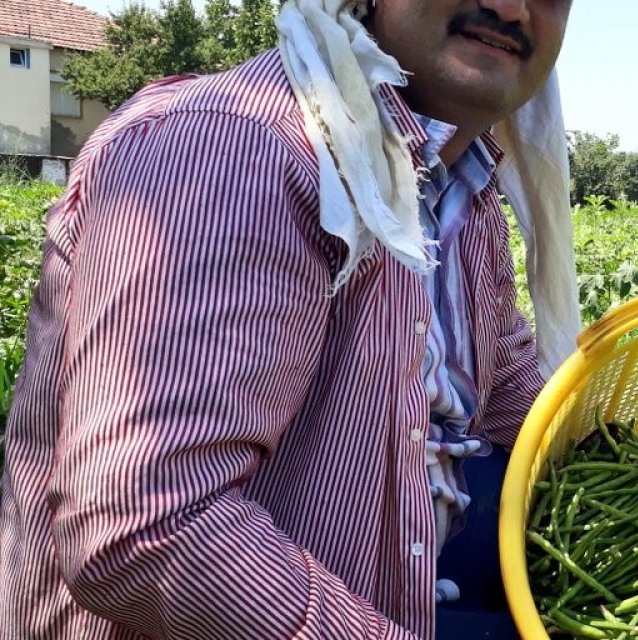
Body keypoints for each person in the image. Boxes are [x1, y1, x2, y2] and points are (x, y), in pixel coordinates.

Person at [0, 0, 581, 637]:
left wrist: (624, 447)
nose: (511, 7)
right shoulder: (233, 152)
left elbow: (504, 371)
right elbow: (151, 524)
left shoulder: (460, 184)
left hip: (406, 558)